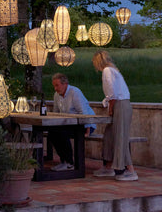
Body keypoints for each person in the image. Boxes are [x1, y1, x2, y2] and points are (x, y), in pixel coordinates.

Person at [92, 50, 138, 181]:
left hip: (120, 105)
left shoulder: (107, 71)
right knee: (109, 135)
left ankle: (130, 170)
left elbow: (112, 93)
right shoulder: (112, 70)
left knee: (120, 137)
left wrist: (110, 108)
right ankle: (108, 166)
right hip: (121, 104)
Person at [48, 73, 96, 171]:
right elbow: (56, 113)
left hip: (85, 124)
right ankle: (64, 161)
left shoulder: (75, 92)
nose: (55, 89)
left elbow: (84, 112)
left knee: (62, 133)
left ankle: (69, 163)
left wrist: (87, 130)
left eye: (57, 85)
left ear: (65, 84)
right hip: (68, 124)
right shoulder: (56, 95)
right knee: (52, 133)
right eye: (54, 86)